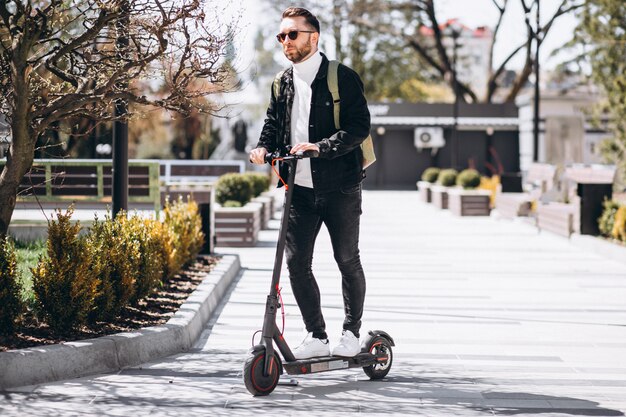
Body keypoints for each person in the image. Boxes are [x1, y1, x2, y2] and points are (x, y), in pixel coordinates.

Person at [249, 7, 371, 359]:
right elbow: (273, 123)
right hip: (297, 190)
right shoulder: (281, 82)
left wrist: (322, 147)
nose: (285, 41)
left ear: (313, 37)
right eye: (281, 36)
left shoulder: (341, 77)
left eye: (292, 34)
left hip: (341, 186)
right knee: (296, 263)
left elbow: (359, 126)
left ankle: (351, 332)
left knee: (347, 259)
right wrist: (262, 148)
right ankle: (317, 336)